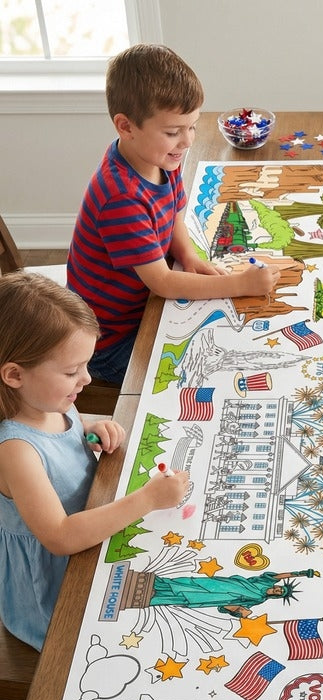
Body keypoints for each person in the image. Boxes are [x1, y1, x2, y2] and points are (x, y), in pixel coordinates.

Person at [67, 43, 283, 385]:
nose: (186, 141)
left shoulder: (156, 158)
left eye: (192, 126)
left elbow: (173, 215)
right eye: (172, 132)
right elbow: (163, 282)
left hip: (146, 307)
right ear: (125, 126)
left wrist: (186, 254)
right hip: (109, 343)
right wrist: (240, 284)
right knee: (204, 375)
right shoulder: (121, 197)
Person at [0, 272, 189, 650]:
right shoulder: (14, 451)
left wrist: (92, 424)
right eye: (71, 371)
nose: (86, 379)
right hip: (57, 586)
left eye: (85, 365)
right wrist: (147, 499)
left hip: (93, 531)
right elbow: (60, 537)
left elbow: (62, 434)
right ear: (15, 374)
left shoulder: (49, 402)